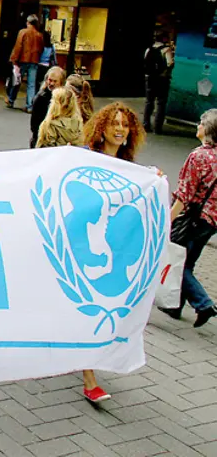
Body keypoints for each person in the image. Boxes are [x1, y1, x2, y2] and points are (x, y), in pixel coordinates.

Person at [78, 101, 146, 403]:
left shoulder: (132, 169)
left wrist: (152, 181)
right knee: (87, 307)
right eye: (114, 123)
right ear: (101, 127)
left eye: (125, 124)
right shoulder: (86, 162)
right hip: (87, 248)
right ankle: (89, 377)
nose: (120, 129)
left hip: (114, 252)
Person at [160, 109, 217, 327]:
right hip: (211, 221)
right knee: (188, 261)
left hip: (193, 218)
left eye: (201, 124)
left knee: (177, 261)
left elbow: (184, 194)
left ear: (208, 129)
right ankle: (174, 306)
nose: (197, 127)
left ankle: (203, 304)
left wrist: (168, 219)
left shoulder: (199, 156)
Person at [7, 15, 44, 112]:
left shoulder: (23, 32)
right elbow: (41, 49)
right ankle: (29, 106)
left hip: (23, 60)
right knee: (31, 84)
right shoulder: (39, 35)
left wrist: (14, 59)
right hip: (34, 60)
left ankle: (11, 100)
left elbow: (18, 46)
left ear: (28, 22)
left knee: (17, 81)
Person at [144, 31, 175, 135]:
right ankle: (157, 127)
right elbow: (170, 63)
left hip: (150, 78)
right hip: (162, 79)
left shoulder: (149, 49)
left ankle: (146, 124)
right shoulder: (166, 49)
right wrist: (165, 73)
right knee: (161, 103)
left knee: (149, 102)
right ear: (164, 39)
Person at [29, 66, 67, 148]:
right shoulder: (41, 98)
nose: (52, 83)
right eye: (50, 80)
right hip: (43, 141)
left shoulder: (65, 98)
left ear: (61, 82)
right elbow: (34, 125)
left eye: (55, 81)